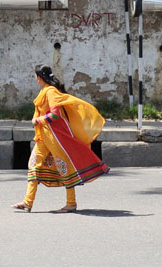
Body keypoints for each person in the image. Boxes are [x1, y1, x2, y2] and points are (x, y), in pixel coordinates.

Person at [13, 65, 109, 214]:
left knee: (64, 167)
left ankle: (71, 203)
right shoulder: (44, 91)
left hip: (55, 137)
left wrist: (38, 120)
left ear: (39, 77)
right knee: (33, 165)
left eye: (35, 76)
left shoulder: (51, 92)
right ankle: (28, 202)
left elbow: (54, 115)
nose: (35, 78)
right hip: (43, 137)